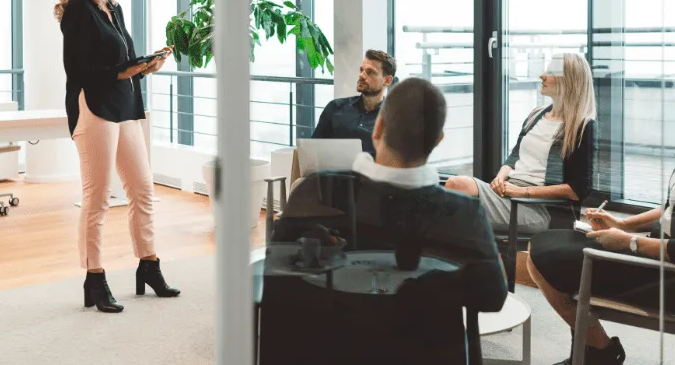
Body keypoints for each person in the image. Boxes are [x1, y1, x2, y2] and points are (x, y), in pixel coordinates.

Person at [274, 77, 508, 312]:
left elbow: (277, 283)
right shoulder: (465, 213)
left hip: (334, 343)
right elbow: (493, 297)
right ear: (438, 141)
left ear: (377, 128)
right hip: (427, 346)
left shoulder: (315, 191)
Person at [54, 0, 180, 314]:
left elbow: (121, 64)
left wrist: (144, 67)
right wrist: (126, 69)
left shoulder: (112, 6)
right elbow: (79, 71)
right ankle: (94, 277)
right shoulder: (78, 10)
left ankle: (149, 266)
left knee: (142, 189)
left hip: (125, 106)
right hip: (94, 107)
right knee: (98, 198)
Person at [528, 176, 675, 365]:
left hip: (665, 272)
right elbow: (670, 208)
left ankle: (599, 352)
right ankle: (595, 352)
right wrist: (623, 225)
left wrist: (630, 241)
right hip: (657, 250)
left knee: (548, 258)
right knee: (549, 245)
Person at [446, 52, 597, 234]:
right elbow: (515, 156)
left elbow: (577, 189)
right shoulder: (536, 115)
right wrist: (500, 178)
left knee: (456, 199)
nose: (542, 75)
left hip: (539, 208)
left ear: (568, 81)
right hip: (509, 193)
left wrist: (522, 191)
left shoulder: (583, 126)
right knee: (455, 188)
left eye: (549, 72)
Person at [311, 49, 396, 157]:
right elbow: (312, 149)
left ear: (387, 80)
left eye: (370, 72)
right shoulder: (335, 107)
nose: (362, 76)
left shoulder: (392, 119)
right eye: (361, 70)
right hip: (331, 172)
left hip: (370, 173)